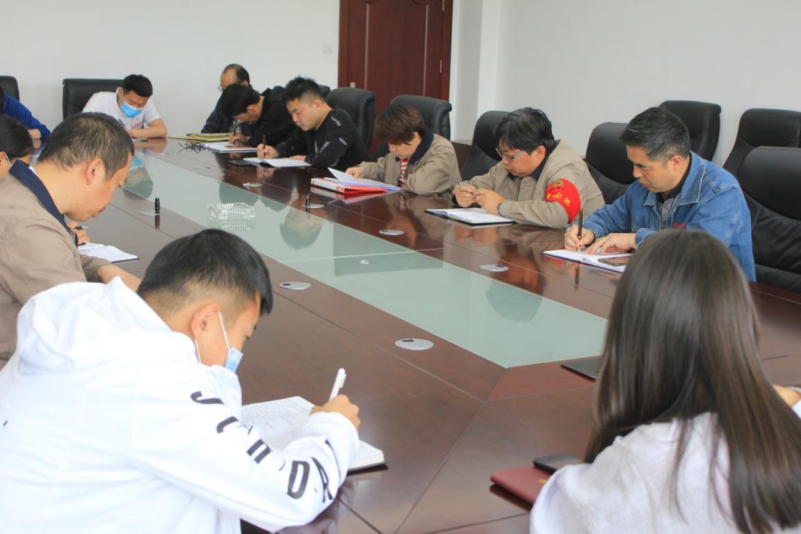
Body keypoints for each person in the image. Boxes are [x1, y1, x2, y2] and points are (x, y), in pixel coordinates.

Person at [0, 229, 361, 533]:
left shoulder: (86, 325)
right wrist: (332, 427)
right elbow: (293, 495)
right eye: (243, 337)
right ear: (205, 322)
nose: (237, 353)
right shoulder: (155, 382)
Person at [530, 230, 801, 533]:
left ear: (631, 334)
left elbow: (558, 517)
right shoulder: (788, 417)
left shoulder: (644, 461)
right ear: (741, 321)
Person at [0, 112, 141, 367]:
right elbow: (80, 326)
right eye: (117, 185)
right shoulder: (28, 226)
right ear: (94, 170)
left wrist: (103, 269)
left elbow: (53, 256)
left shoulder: (17, 191)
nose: (111, 200)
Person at [564, 107, 756, 281]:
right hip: (659, 287)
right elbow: (610, 217)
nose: (635, 174)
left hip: (716, 297)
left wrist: (635, 239)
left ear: (675, 162)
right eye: (633, 164)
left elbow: (696, 254)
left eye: (643, 166)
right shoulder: (643, 186)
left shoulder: (721, 192)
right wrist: (589, 231)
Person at [453, 108, 603, 227]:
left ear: (538, 152)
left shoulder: (566, 168)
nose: (504, 161)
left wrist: (501, 206)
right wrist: (461, 195)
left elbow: (558, 214)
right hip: (524, 241)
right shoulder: (508, 164)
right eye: (502, 153)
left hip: (573, 249)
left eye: (510, 156)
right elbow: (474, 185)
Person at [257, 77, 372, 171]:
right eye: (291, 114)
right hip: (328, 183)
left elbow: (325, 160)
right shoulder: (308, 124)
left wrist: (305, 159)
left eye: (297, 112)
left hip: (358, 185)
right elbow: (293, 144)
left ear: (316, 105)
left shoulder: (338, 119)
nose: (294, 119)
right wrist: (275, 151)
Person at [345, 104, 459, 197]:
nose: (391, 149)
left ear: (414, 136)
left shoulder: (442, 149)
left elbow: (421, 186)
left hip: (432, 214)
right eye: (389, 144)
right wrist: (363, 170)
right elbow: (383, 169)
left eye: (396, 144)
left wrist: (397, 184)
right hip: (402, 209)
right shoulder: (401, 151)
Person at [82, 74, 167, 139]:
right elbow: (83, 127)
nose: (136, 107)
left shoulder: (145, 102)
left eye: (141, 105)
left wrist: (131, 133)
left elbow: (161, 130)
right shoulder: (100, 99)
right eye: (132, 102)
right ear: (120, 92)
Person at [219, 83, 295, 148]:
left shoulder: (278, 108)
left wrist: (248, 140)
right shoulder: (266, 100)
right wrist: (246, 139)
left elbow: (260, 141)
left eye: (239, 118)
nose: (241, 121)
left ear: (251, 109)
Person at [202, 63, 253, 134]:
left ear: (244, 85)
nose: (224, 94)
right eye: (223, 89)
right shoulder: (223, 101)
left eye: (228, 89)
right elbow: (207, 131)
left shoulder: (257, 105)